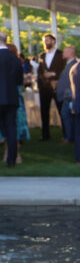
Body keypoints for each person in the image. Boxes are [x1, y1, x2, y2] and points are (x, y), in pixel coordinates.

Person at [0, 32, 25, 168]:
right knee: (11, 128)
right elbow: (19, 81)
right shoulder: (15, 59)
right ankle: (12, 160)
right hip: (11, 97)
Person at [37, 33, 66, 140]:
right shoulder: (42, 56)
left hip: (57, 86)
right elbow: (39, 71)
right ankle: (45, 135)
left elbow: (64, 70)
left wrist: (53, 74)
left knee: (61, 110)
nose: (46, 42)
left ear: (53, 41)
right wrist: (43, 77)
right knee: (44, 111)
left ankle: (66, 133)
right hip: (44, 87)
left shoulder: (61, 54)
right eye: (44, 40)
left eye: (48, 40)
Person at [55, 45, 77, 143]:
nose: (63, 53)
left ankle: (69, 137)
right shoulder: (68, 64)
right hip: (66, 95)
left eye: (65, 52)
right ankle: (69, 136)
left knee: (66, 115)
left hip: (69, 95)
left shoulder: (73, 64)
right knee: (66, 115)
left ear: (71, 53)